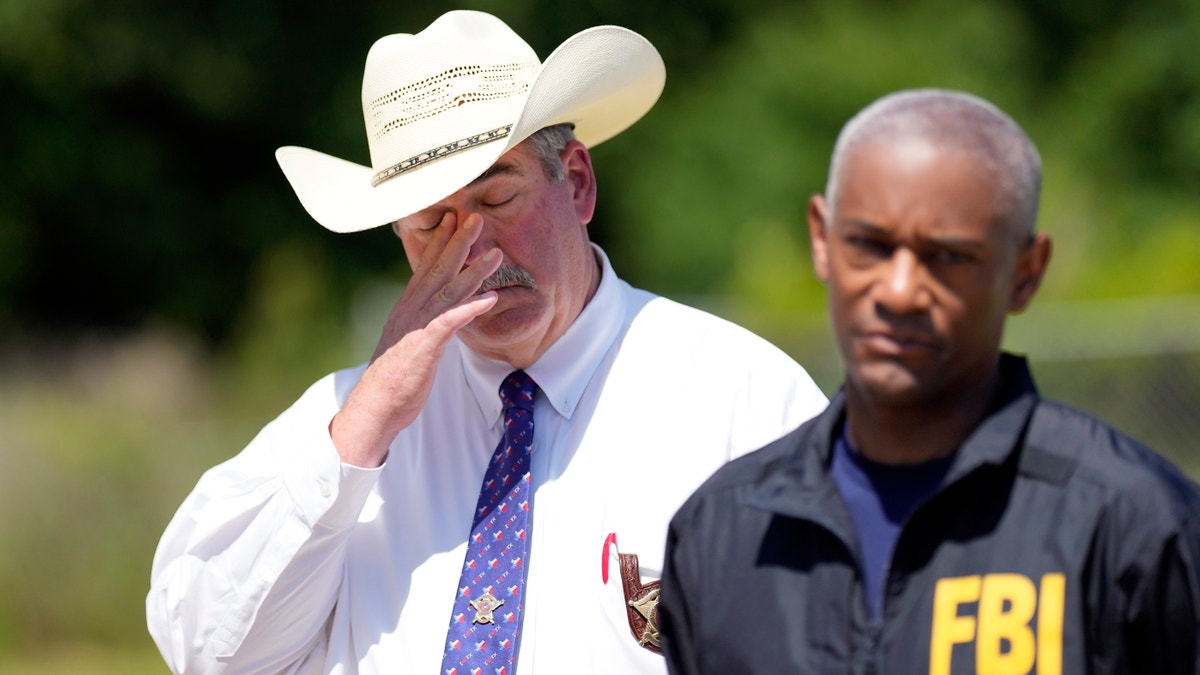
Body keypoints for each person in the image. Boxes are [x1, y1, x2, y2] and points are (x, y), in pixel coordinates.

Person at [145, 10, 828, 675]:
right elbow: (210, 651)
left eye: (498, 201)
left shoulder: (741, 397)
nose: (474, 248)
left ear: (579, 183)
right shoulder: (345, 421)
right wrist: (358, 433)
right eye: (432, 223)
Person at [659, 88, 1200, 674]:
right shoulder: (721, 530)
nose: (898, 291)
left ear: (1026, 272)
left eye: (947, 257)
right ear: (822, 238)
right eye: (869, 245)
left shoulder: (1135, 526)